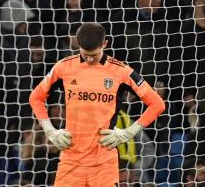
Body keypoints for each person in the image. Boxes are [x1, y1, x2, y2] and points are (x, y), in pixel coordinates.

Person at [27, 21, 166, 187]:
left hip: (104, 163)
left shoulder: (121, 72)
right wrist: (50, 131)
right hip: (71, 160)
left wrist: (128, 132)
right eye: (85, 54)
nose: (90, 58)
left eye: (94, 53)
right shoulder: (63, 68)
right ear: (78, 44)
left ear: (104, 44)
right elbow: (35, 97)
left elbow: (157, 104)